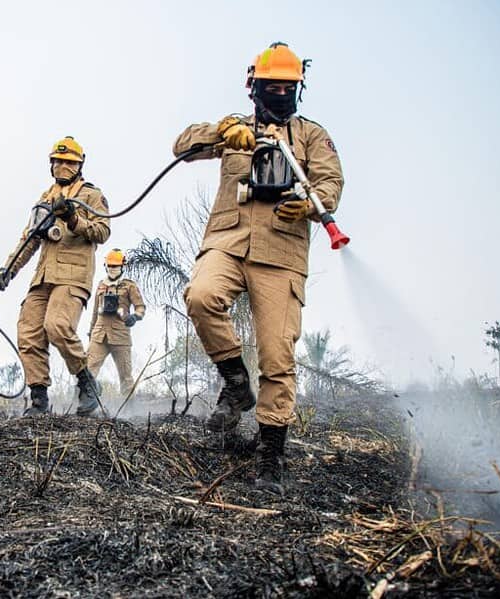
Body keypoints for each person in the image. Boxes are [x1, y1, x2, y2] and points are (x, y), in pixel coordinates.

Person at [173, 42, 344, 493]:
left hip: (281, 253)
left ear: (299, 90)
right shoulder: (234, 128)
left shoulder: (311, 136)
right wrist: (223, 130)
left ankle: (271, 451)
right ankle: (234, 381)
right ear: (254, 86)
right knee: (201, 295)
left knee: (277, 354)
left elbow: (330, 183)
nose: (281, 95)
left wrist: (309, 204)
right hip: (227, 240)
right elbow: (182, 145)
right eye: (273, 87)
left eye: (289, 88)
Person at [0, 136, 110, 417]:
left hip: (73, 276)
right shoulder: (44, 200)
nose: (62, 166)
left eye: (68, 162)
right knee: (29, 332)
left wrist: (73, 218)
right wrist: (8, 269)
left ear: (80, 164)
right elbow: (29, 240)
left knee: (57, 326)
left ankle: (86, 382)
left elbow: (102, 232)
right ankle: (39, 399)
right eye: (57, 161)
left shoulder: (92, 196)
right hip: (42, 277)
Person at [86, 249, 146, 397]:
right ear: (105, 266)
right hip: (99, 335)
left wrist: (135, 317)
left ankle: (129, 410)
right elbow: (94, 312)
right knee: (87, 371)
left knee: (125, 376)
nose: (113, 269)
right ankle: (84, 404)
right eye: (110, 265)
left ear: (122, 266)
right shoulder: (101, 285)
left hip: (120, 335)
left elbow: (141, 307)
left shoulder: (129, 286)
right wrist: (91, 331)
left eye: (116, 266)